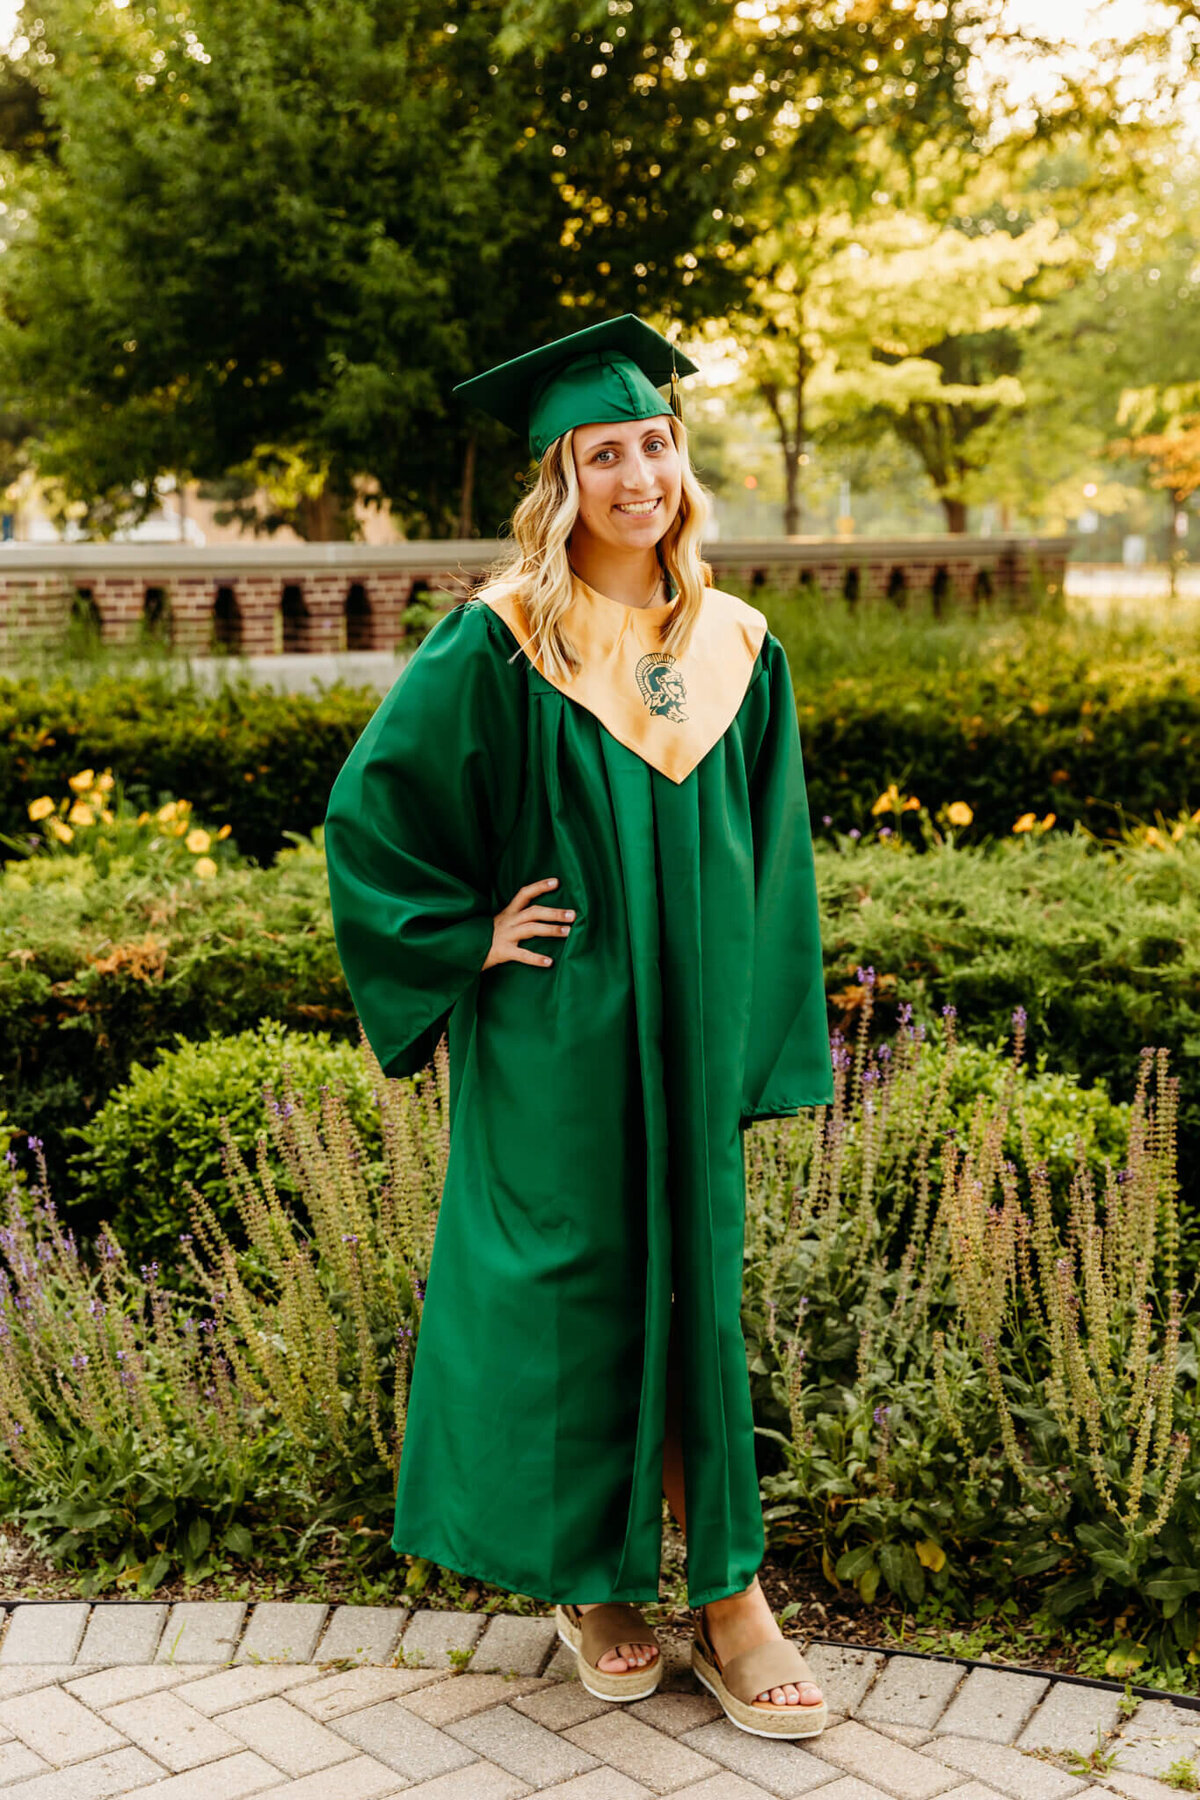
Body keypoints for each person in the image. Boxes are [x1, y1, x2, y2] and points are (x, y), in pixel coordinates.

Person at [323, 312, 834, 1739]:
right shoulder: (504, 639)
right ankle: (587, 1579)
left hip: (693, 1023)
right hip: (559, 1027)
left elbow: (772, 849)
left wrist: (757, 1032)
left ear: (682, 462)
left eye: (654, 444)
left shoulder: (740, 645)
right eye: (603, 452)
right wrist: (462, 937)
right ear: (561, 480)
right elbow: (376, 812)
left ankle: (729, 1594)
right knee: (570, 1290)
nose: (637, 475)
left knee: (699, 1291)